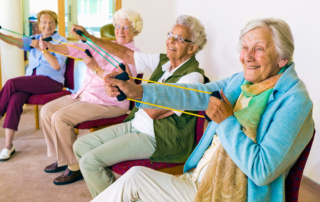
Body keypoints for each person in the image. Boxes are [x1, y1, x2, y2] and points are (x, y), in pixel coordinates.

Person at [98, 18, 314, 202]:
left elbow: (261, 171)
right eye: (245, 48)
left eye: (259, 49)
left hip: (229, 194)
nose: (247, 57)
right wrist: (137, 92)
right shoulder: (242, 81)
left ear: (282, 58)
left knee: (135, 180)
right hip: (200, 178)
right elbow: (192, 94)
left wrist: (227, 121)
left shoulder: (295, 101)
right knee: (131, 185)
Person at [71, 15, 208, 198]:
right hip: (136, 124)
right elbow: (125, 54)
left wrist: (129, 89)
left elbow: (154, 112)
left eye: (179, 38)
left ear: (193, 48)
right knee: (81, 145)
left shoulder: (193, 77)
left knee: (90, 162)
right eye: (170, 34)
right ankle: (116, 195)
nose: (171, 41)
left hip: (157, 136)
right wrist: (90, 38)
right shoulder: (163, 62)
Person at [38, 8, 142, 185]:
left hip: (108, 103)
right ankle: (63, 158)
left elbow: (118, 84)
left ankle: (74, 167)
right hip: (85, 95)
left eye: (126, 28)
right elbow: (75, 48)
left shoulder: (133, 56)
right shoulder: (105, 44)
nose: (120, 31)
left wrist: (94, 67)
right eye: (118, 26)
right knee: (47, 111)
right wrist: (51, 46)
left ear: (135, 30)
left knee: (60, 118)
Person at [0, 10, 67, 161]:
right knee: (16, 97)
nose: (47, 25)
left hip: (51, 81)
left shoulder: (61, 42)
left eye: (51, 22)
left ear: (56, 24)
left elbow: (56, 66)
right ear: (38, 25)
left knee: (11, 83)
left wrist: (43, 49)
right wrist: (1, 35)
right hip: (33, 82)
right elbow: (14, 41)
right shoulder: (34, 38)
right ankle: (8, 146)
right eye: (44, 22)